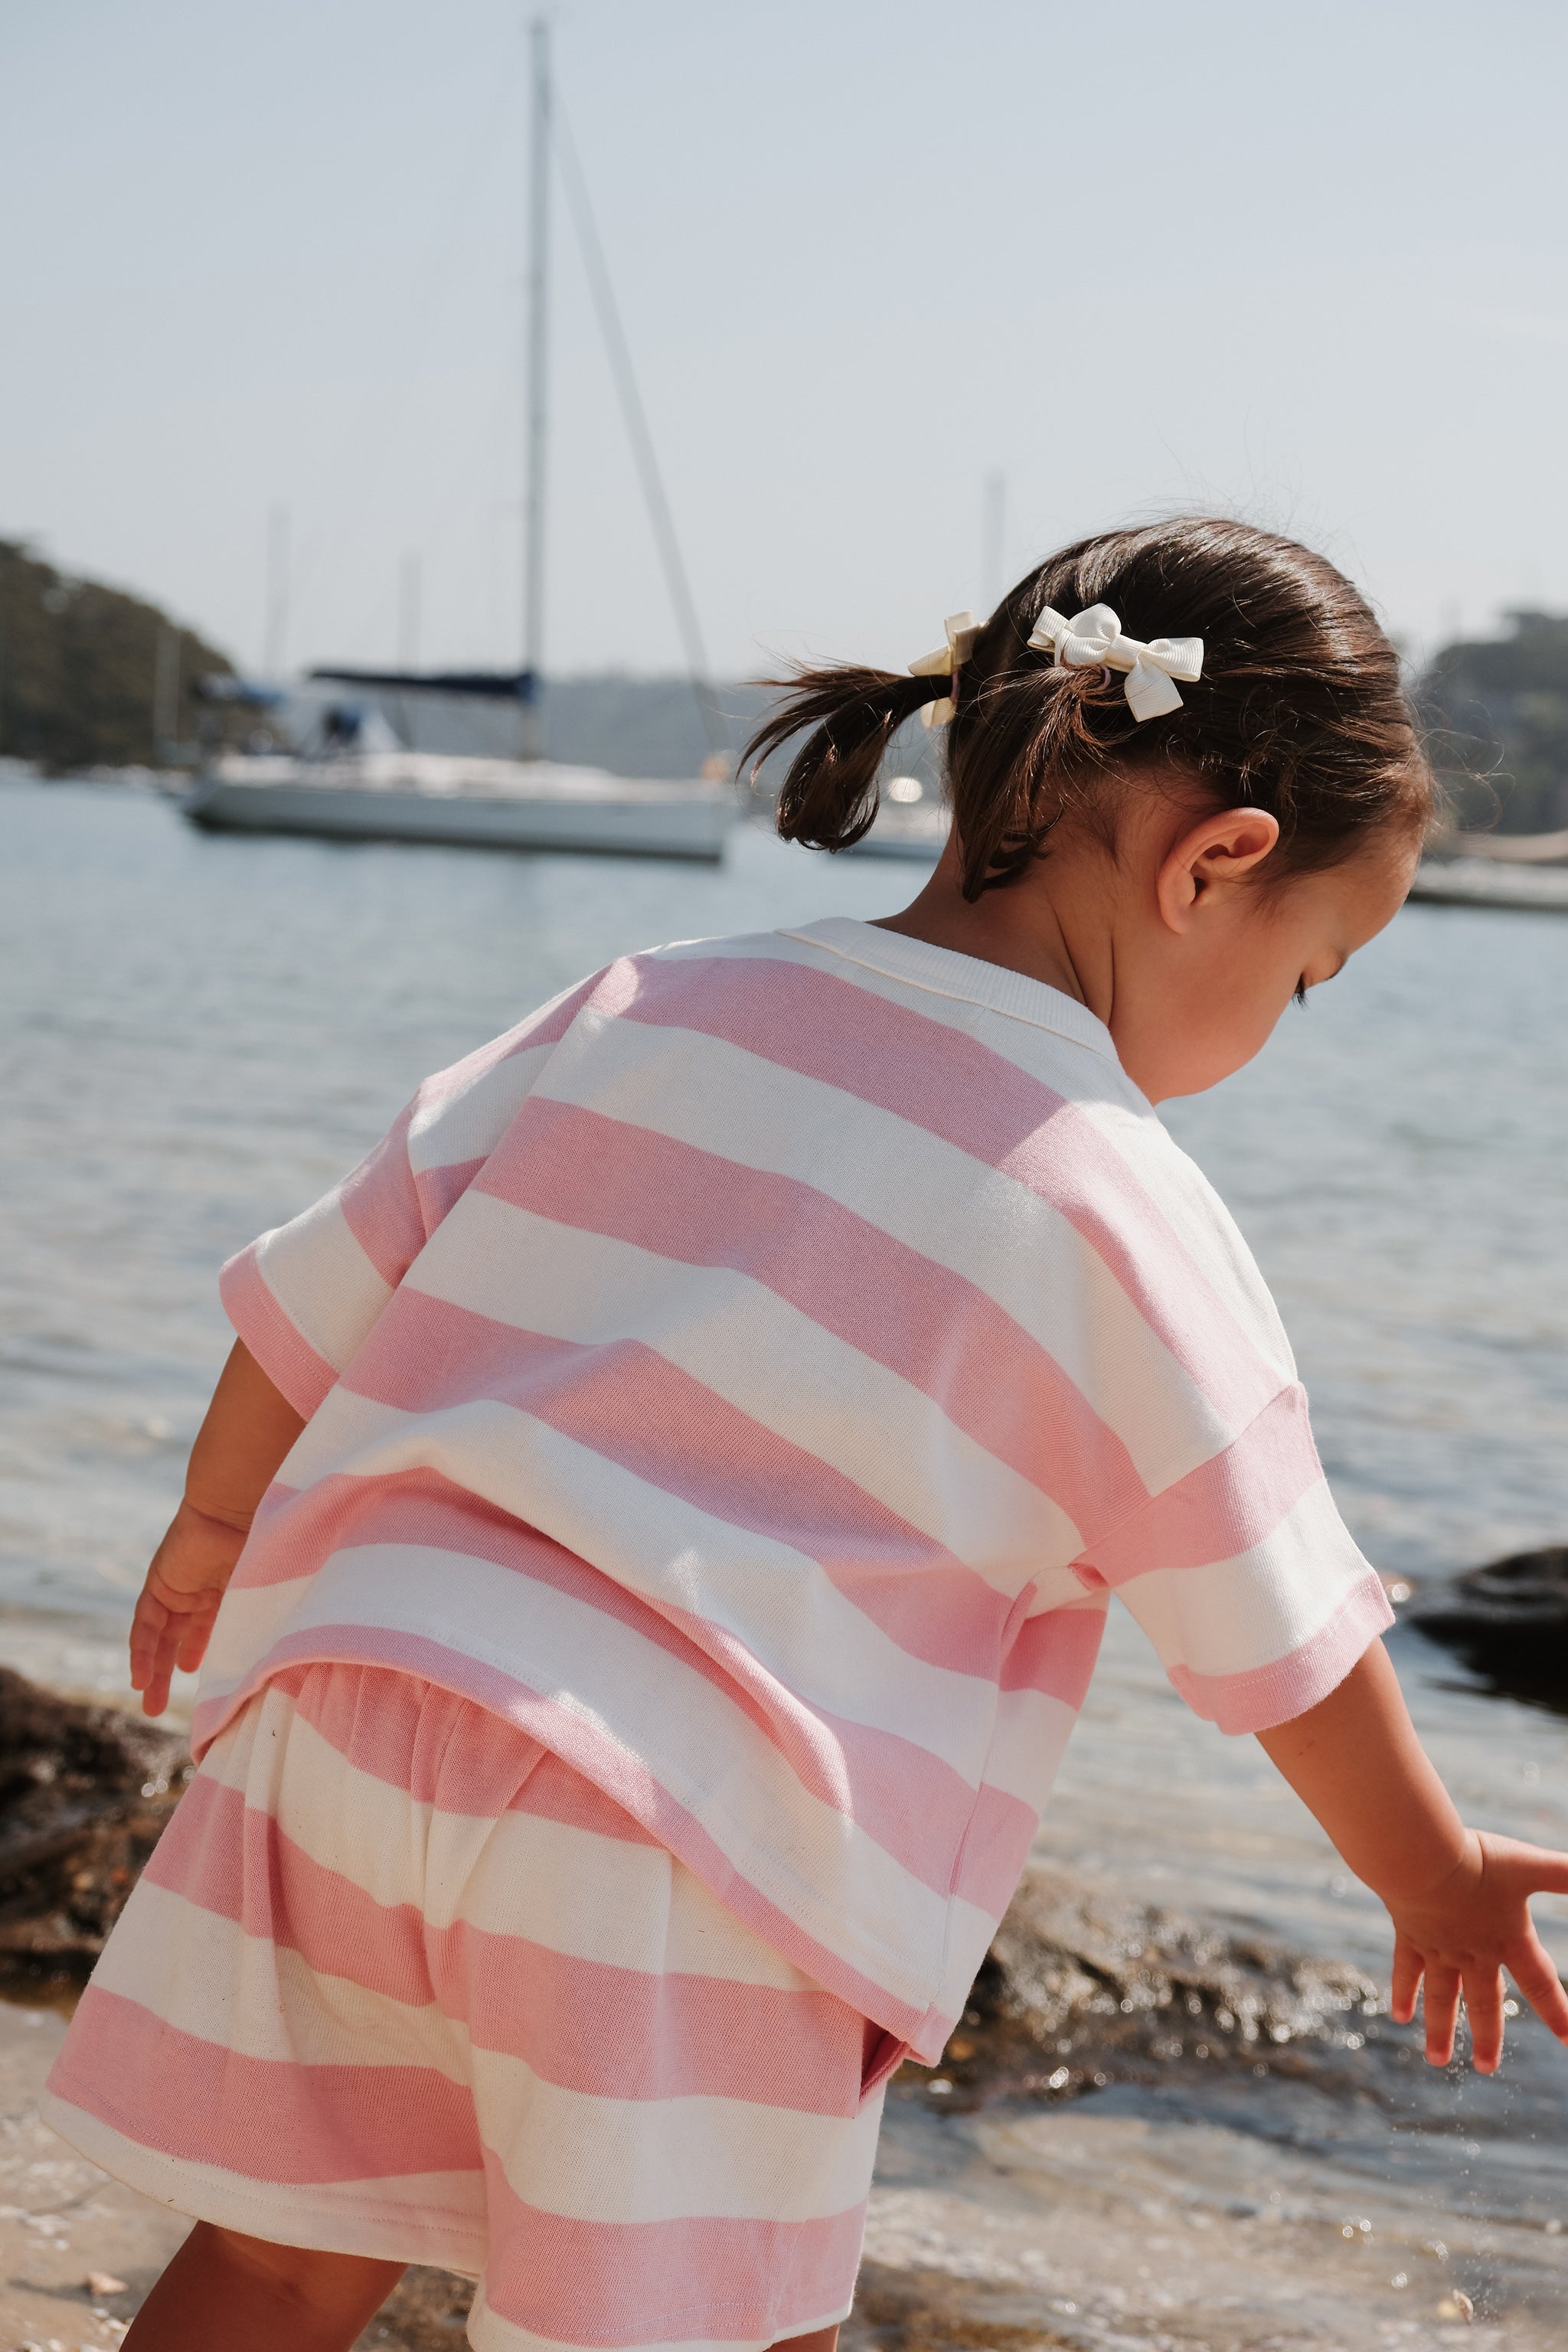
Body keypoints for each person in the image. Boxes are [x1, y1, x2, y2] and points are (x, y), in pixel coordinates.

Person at [44, 518, 1568, 2352]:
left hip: (357, 1709)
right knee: (720, 2324)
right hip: (682, 1836)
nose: (1280, 1021)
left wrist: (213, 1536)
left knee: (283, 2258)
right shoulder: (1113, 1202)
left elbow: (317, 1297)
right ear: (1217, 866)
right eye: (1307, 975)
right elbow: (1272, 1618)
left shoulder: (651, 998)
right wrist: (1428, 1870)